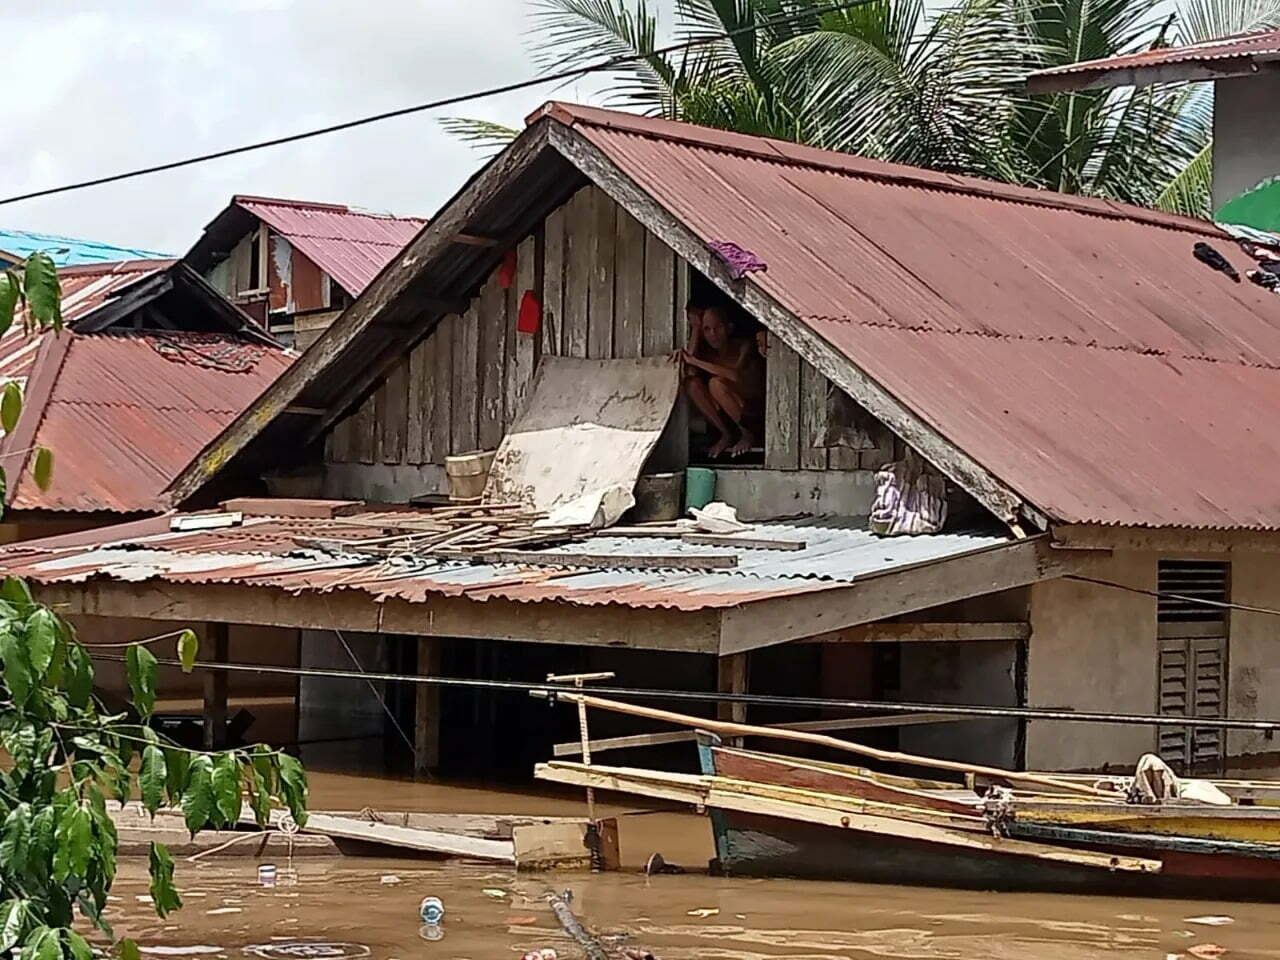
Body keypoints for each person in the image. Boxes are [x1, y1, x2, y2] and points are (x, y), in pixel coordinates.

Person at [675, 303, 766, 458]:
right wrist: (696, 330)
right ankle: (726, 434)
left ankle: (747, 435)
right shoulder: (708, 353)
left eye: (718, 328)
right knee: (692, 384)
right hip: (726, 414)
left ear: (729, 328)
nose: (713, 334)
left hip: (753, 411)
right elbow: (687, 371)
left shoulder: (744, 346)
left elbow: (735, 376)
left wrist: (695, 361)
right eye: (707, 330)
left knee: (716, 384)